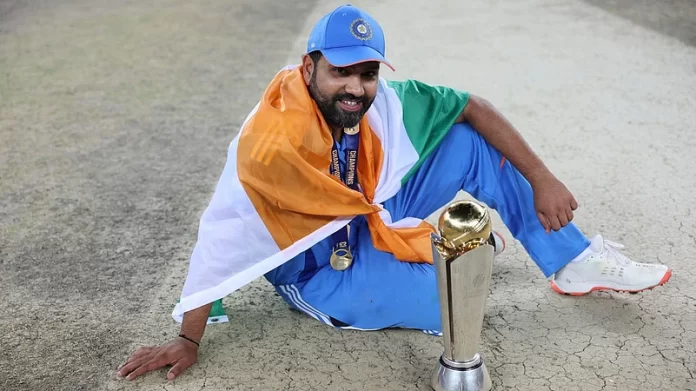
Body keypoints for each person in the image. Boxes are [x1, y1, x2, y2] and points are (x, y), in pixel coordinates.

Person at [117, 4, 671, 382]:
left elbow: (471, 104)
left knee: (466, 140)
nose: (356, 88)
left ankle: (570, 260)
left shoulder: (376, 101)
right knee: (452, 303)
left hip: (368, 207)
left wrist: (544, 178)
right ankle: (442, 253)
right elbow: (226, 230)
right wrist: (189, 337)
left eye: (368, 73)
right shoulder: (271, 144)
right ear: (309, 67)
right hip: (318, 262)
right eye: (341, 73)